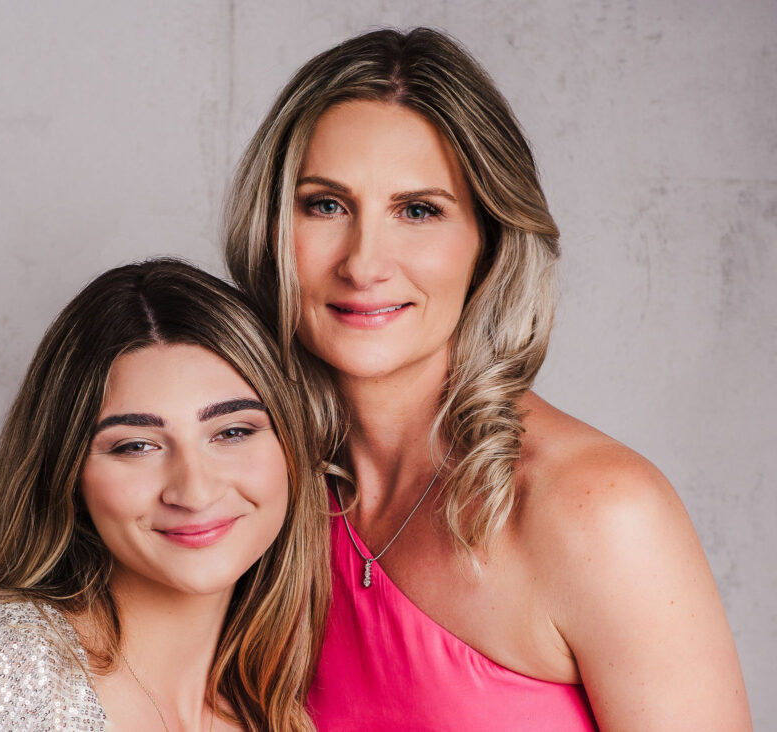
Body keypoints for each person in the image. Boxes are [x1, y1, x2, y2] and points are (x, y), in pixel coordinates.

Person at [225, 28, 750, 730]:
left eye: (418, 211)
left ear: (490, 240)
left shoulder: (600, 513)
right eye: (325, 205)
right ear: (269, 227)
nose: (364, 262)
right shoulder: (245, 492)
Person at [0, 259, 329, 731]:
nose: (195, 490)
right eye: (135, 446)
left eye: (232, 432)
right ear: (68, 473)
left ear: (291, 444)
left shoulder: (278, 710)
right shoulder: (3, 670)